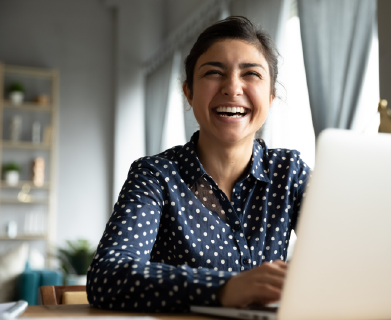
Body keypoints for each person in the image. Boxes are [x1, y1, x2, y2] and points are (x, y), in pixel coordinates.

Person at [86, 16, 310, 312]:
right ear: (188, 93)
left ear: (270, 97)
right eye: (214, 73)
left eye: (251, 74)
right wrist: (223, 288)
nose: (232, 88)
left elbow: (344, 254)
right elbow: (107, 276)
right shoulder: (155, 175)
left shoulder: (290, 172)